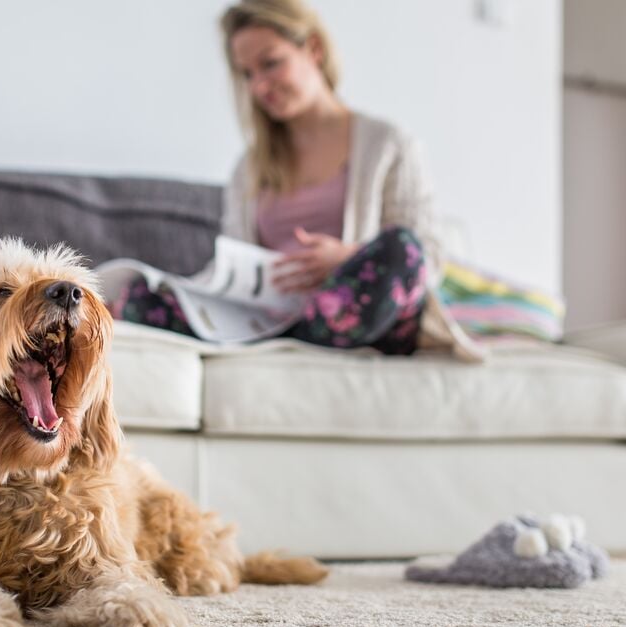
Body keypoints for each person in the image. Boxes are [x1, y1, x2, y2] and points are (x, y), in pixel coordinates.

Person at [113, 0, 475, 358]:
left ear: (314, 49)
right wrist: (191, 292)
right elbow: (234, 262)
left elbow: (428, 257)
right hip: (271, 318)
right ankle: (290, 336)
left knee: (402, 247)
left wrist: (346, 258)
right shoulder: (250, 167)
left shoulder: (388, 143)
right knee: (139, 297)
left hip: (358, 311)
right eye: (247, 73)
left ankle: (311, 331)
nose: (259, 86)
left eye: (270, 64)